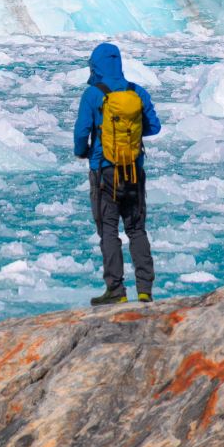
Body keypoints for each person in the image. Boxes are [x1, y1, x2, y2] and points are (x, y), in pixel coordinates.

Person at [73, 43, 161, 306]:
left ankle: (116, 290)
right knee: (136, 229)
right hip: (134, 169)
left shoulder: (92, 94)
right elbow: (154, 127)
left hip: (104, 171)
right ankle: (145, 290)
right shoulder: (137, 91)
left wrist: (84, 151)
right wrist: (130, 134)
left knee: (109, 230)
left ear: (95, 66)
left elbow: (81, 132)